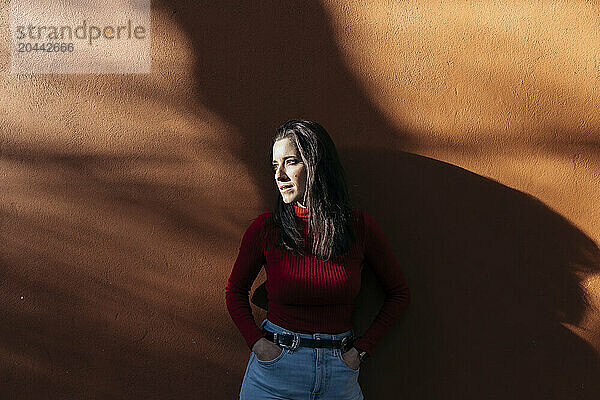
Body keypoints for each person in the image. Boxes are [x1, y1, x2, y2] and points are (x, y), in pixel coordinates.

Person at [225, 119, 410, 399]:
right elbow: (234, 292)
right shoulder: (265, 230)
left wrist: (360, 352)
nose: (279, 175)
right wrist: (258, 344)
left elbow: (399, 293)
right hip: (276, 372)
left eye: (290, 162)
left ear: (316, 164)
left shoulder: (358, 228)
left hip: (339, 374)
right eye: (275, 165)